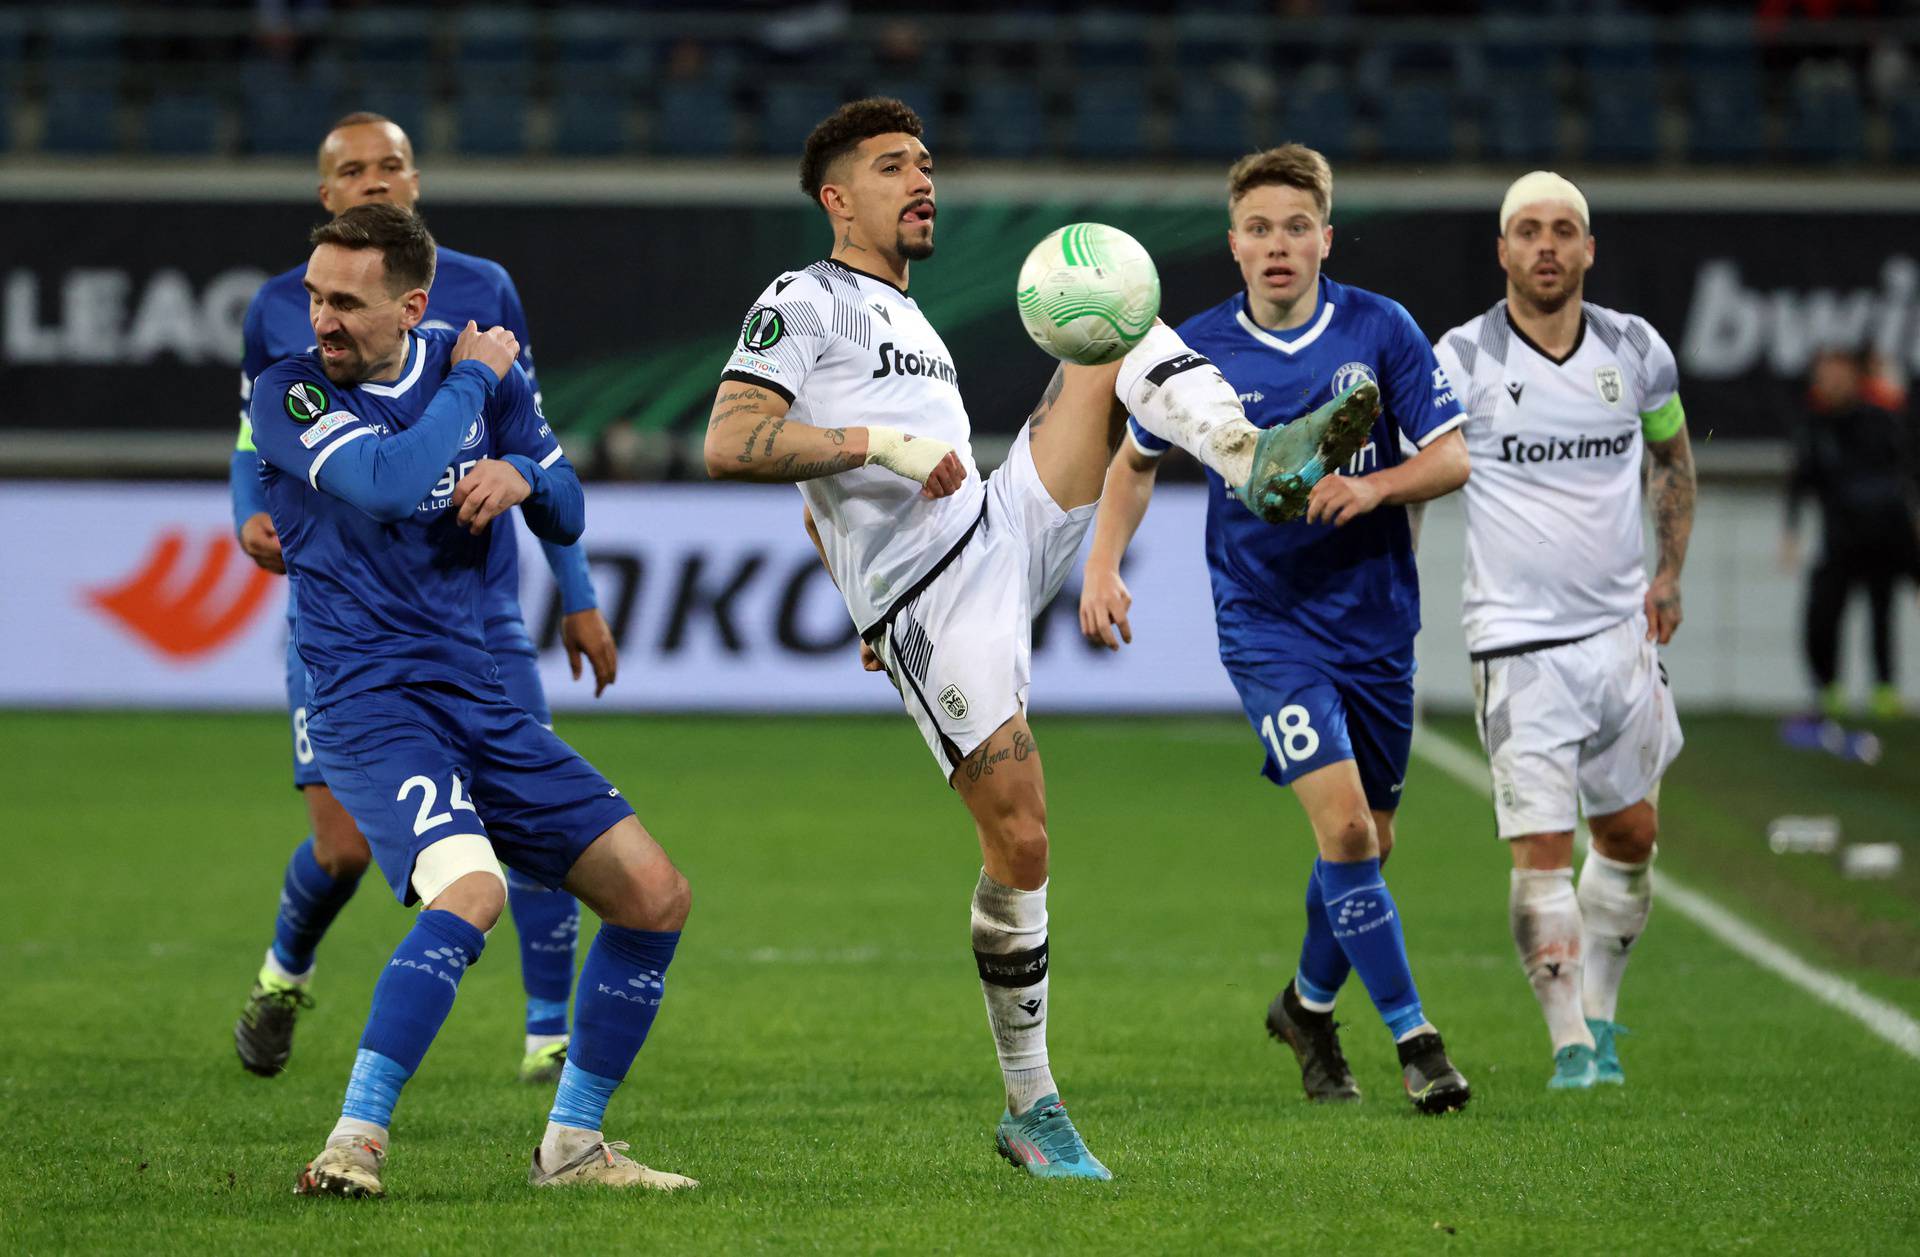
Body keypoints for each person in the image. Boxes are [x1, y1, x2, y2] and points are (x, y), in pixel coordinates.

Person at [703, 99, 1370, 1179]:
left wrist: (852, 551)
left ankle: (1258, 458)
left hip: (997, 525)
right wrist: (880, 461)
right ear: (836, 199)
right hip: (933, 594)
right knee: (1022, 841)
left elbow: (813, 504)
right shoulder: (805, 300)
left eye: (924, 162)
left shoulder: (908, 316)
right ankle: (1032, 1106)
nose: (921, 181)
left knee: (1106, 307)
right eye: (890, 168)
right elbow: (733, 441)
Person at [251, 204, 694, 1197]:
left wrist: (521, 472)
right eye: (316, 295)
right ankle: (351, 1143)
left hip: (481, 696)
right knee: (474, 891)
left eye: (345, 302)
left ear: (410, 304)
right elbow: (384, 478)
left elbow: (570, 503)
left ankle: (572, 1148)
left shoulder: (471, 362)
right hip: (370, 703)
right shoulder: (294, 393)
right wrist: (475, 385)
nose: (319, 318)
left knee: (655, 897)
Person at [1078, 144, 1474, 1114]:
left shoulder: (1381, 330)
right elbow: (1134, 461)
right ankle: (1417, 1043)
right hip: (1266, 624)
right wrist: (1101, 564)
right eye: (1260, 228)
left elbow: (1453, 457)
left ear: (1325, 238)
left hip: (1376, 619)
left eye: (1297, 227)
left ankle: (1305, 1006)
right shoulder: (1197, 351)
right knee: (1343, 827)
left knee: (1370, 841)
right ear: (1234, 244)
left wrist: (1372, 484)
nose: (1279, 244)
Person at [230, 112, 615, 1087]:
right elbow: (253, 435)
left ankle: (545, 1034)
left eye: (389, 165)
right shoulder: (281, 312)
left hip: (472, 608)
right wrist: (246, 515)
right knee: (343, 847)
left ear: (415, 181)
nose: (372, 181)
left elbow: (531, 439)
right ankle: (284, 975)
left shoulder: (483, 294)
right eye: (351, 170)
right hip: (350, 619)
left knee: (529, 812)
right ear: (325, 195)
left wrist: (575, 590)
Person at [1431, 171, 1696, 1090]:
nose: (1547, 246)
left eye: (1564, 230)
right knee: (1541, 845)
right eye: (1528, 231)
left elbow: (1670, 455)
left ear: (1589, 249)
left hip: (1622, 636)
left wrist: (1669, 572)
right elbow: (1423, 474)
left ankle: (1604, 1015)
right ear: (1502, 250)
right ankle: (1567, 1043)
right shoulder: (1460, 359)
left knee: (1629, 834)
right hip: (1517, 645)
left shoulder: (1636, 349)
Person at [1783, 347, 1920, 719]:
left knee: (1882, 611)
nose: (1830, 382)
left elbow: (1907, 474)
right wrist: (1791, 533)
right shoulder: (1813, 427)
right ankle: (1828, 692)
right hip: (1841, 538)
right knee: (1822, 614)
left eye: (1838, 373)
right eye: (1824, 374)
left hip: (1888, 534)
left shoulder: (1883, 418)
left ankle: (1884, 692)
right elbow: (1799, 482)